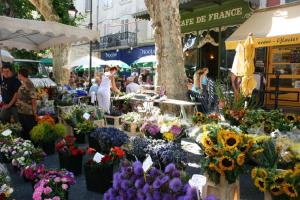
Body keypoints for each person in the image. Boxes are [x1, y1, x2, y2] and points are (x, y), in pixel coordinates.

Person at [16, 68, 37, 140]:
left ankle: (33, 146)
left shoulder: (29, 83)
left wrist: (34, 112)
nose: (17, 76)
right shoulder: (24, 82)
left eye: (18, 74)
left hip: (27, 112)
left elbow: (33, 98)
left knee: (29, 131)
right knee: (25, 131)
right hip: (22, 111)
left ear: (20, 74)